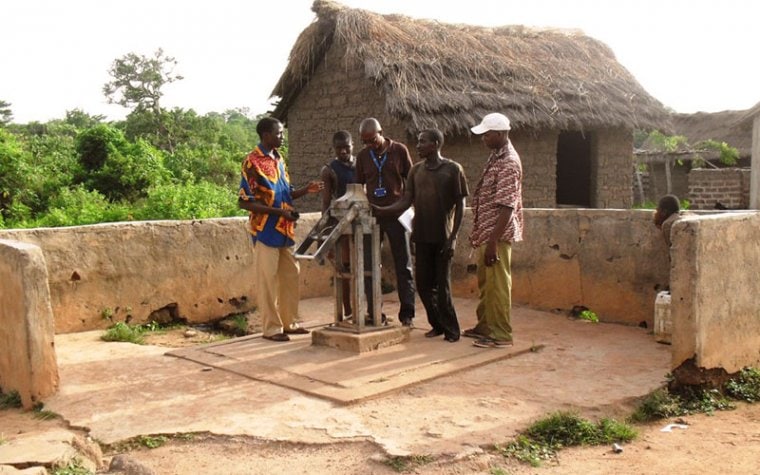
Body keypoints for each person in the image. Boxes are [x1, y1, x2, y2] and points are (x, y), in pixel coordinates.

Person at [373, 129, 468, 342]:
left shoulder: (453, 170)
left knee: (442, 287)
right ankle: (437, 324)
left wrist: (453, 237)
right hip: (422, 237)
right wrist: (383, 210)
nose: (418, 146)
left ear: (435, 144)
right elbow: (406, 200)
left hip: (443, 237)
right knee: (424, 285)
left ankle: (452, 329)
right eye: (418, 142)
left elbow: (461, 206)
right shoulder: (416, 171)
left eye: (422, 142)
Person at [238, 117, 323, 342]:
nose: (282, 136)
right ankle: (272, 328)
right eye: (278, 133)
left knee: (290, 276)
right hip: (265, 230)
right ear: (266, 135)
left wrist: (307, 190)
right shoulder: (252, 162)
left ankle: (290, 323)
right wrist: (279, 213)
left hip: (285, 230)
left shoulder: (279, 159)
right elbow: (244, 201)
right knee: (267, 281)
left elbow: (286, 193)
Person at [466, 112, 523, 349]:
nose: (484, 139)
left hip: (496, 236)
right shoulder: (496, 157)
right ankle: (486, 326)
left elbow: (507, 206)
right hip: (486, 233)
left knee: (498, 285)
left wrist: (492, 242)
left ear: (500, 134)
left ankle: (500, 335)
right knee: (486, 283)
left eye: (487, 135)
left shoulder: (508, 162)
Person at [355, 118, 415, 326]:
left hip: (397, 216)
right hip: (374, 217)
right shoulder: (363, 157)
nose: (369, 145)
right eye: (365, 142)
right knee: (370, 265)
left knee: (404, 265)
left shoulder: (399, 150)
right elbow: (357, 186)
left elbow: (412, 181)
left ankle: (407, 313)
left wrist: (407, 205)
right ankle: (374, 312)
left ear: (381, 132)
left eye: (372, 140)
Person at [320, 130, 356, 319]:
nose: (343, 151)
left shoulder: (361, 165)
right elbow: (326, 202)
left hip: (360, 220)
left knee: (367, 266)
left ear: (353, 145)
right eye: (339, 148)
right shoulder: (329, 170)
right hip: (340, 223)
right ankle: (348, 310)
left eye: (346, 147)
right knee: (345, 268)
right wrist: (323, 231)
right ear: (334, 149)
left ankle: (368, 310)